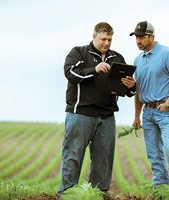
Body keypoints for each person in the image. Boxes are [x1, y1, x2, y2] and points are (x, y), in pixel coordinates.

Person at [58, 22, 136, 196]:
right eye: (103, 39)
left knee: (103, 159)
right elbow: (71, 73)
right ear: (94, 36)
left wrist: (131, 86)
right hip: (80, 114)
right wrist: (95, 69)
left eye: (109, 39)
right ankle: (67, 194)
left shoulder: (117, 58)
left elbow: (126, 90)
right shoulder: (78, 52)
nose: (107, 43)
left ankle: (98, 195)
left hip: (107, 116)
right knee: (73, 155)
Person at [130, 21, 169, 188]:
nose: (138, 41)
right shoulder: (137, 60)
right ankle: (162, 190)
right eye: (136, 37)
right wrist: (136, 116)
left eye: (141, 37)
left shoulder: (168, 54)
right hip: (147, 113)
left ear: (152, 37)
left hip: (165, 112)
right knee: (154, 154)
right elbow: (138, 90)